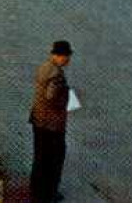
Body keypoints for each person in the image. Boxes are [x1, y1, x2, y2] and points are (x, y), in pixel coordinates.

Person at [29, 40, 74, 202]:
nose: (68, 60)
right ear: (59, 56)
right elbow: (51, 97)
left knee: (40, 158)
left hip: (38, 120)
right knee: (54, 160)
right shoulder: (56, 74)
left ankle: (36, 190)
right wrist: (65, 99)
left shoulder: (44, 67)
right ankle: (48, 194)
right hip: (52, 125)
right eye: (66, 56)